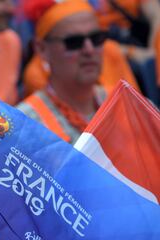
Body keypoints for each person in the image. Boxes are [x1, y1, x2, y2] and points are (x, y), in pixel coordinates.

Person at [16, 0, 112, 144]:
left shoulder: (123, 106)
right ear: (41, 49)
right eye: (73, 42)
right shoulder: (24, 126)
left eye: (96, 38)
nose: (89, 50)